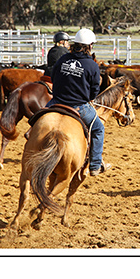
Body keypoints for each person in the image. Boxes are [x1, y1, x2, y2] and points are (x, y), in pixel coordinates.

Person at [46, 28, 110, 176]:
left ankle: (30, 134)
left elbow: (53, 77)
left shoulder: (63, 59)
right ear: (90, 46)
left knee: (37, 120)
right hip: (79, 106)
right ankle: (94, 165)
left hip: (56, 102)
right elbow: (95, 90)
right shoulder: (92, 65)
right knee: (98, 129)